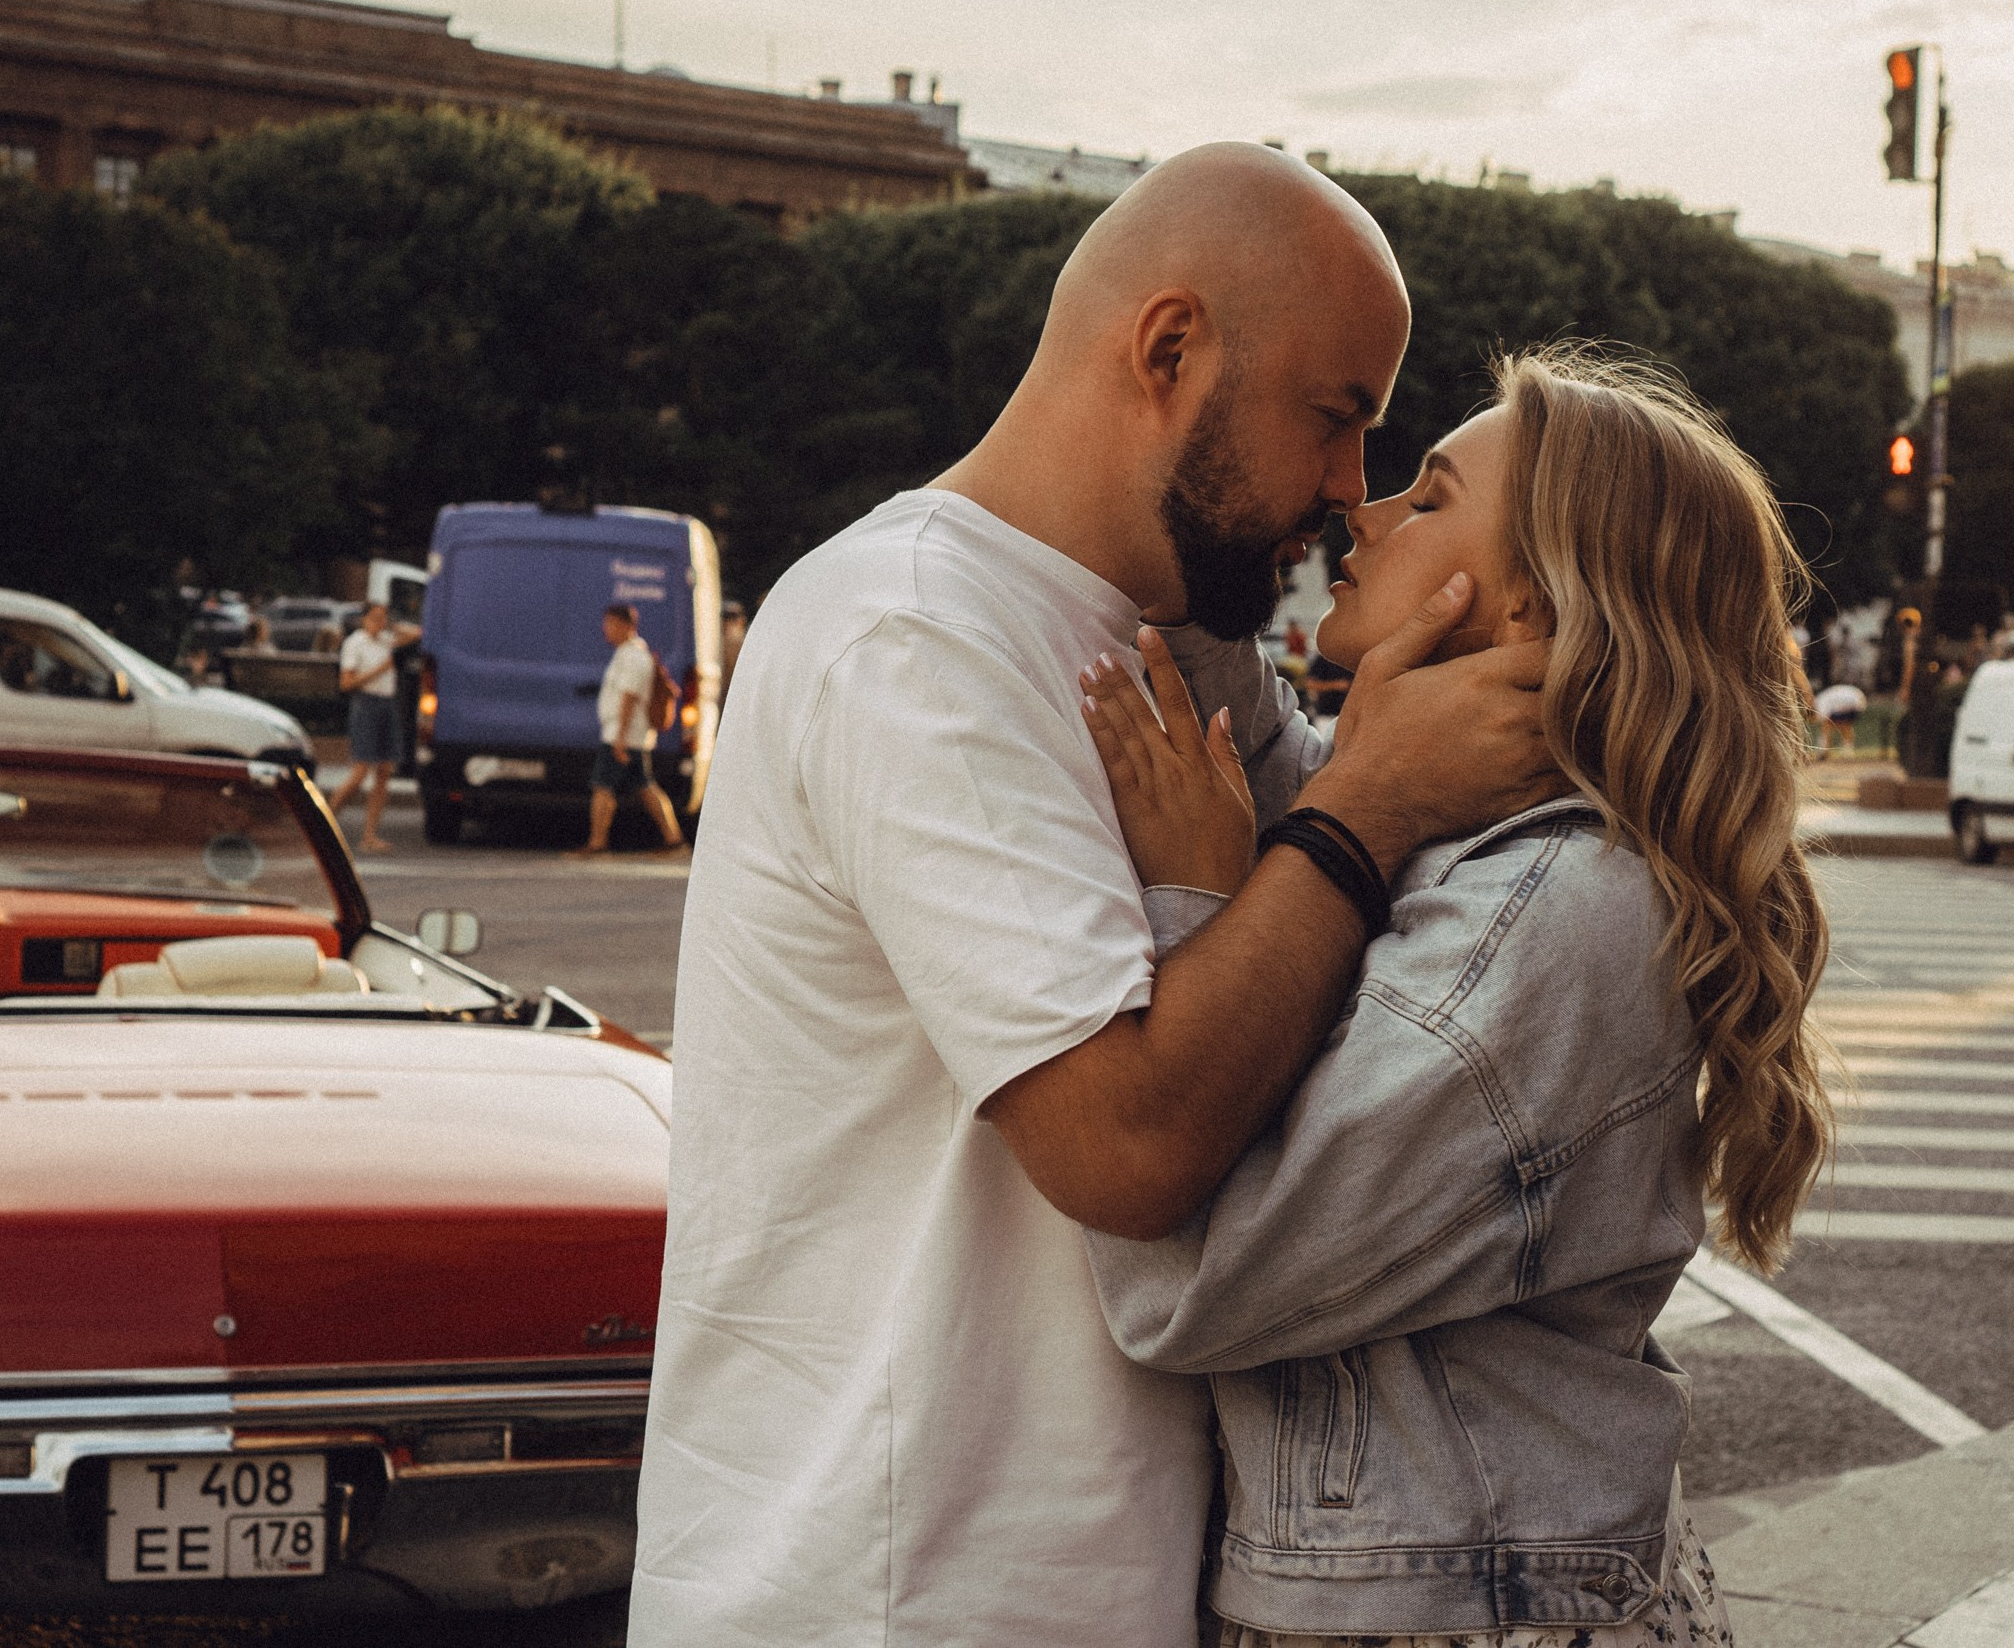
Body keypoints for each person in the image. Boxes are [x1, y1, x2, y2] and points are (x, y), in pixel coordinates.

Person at [630, 143, 1560, 1648]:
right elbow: (1125, 1143)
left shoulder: (1182, 640)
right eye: (1337, 418)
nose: (1348, 491)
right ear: (1170, 348)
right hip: (892, 1592)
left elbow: (1350, 925)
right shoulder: (916, 635)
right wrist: (1361, 804)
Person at [1076, 345, 1832, 1645]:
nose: (1355, 514)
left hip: (1454, 1604)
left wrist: (1196, 905)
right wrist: (1204, 487)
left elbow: (1193, 1282)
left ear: (1532, 611)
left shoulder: (1550, 920)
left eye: (1424, 497)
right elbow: (1291, 769)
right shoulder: (1482, 831)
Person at [581, 603, 685, 855]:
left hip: (624, 736)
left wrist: (619, 739)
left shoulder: (633, 657)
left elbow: (628, 698)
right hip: (629, 736)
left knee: (602, 786)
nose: (605, 630)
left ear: (626, 626)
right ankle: (674, 840)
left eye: (610, 624)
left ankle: (597, 843)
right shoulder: (628, 654)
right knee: (645, 786)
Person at [330, 601, 415, 853]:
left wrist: (391, 626)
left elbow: (416, 634)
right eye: (374, 618)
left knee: (385, 770)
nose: (379, 623)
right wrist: (379, 671)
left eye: (383, 618)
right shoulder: (355, 644)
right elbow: (346, 683)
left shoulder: (385, 640)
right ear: (364, 619)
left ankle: (369, 836)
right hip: (366, 704)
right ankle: (326, 821)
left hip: (387, 704)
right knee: (360, 772)